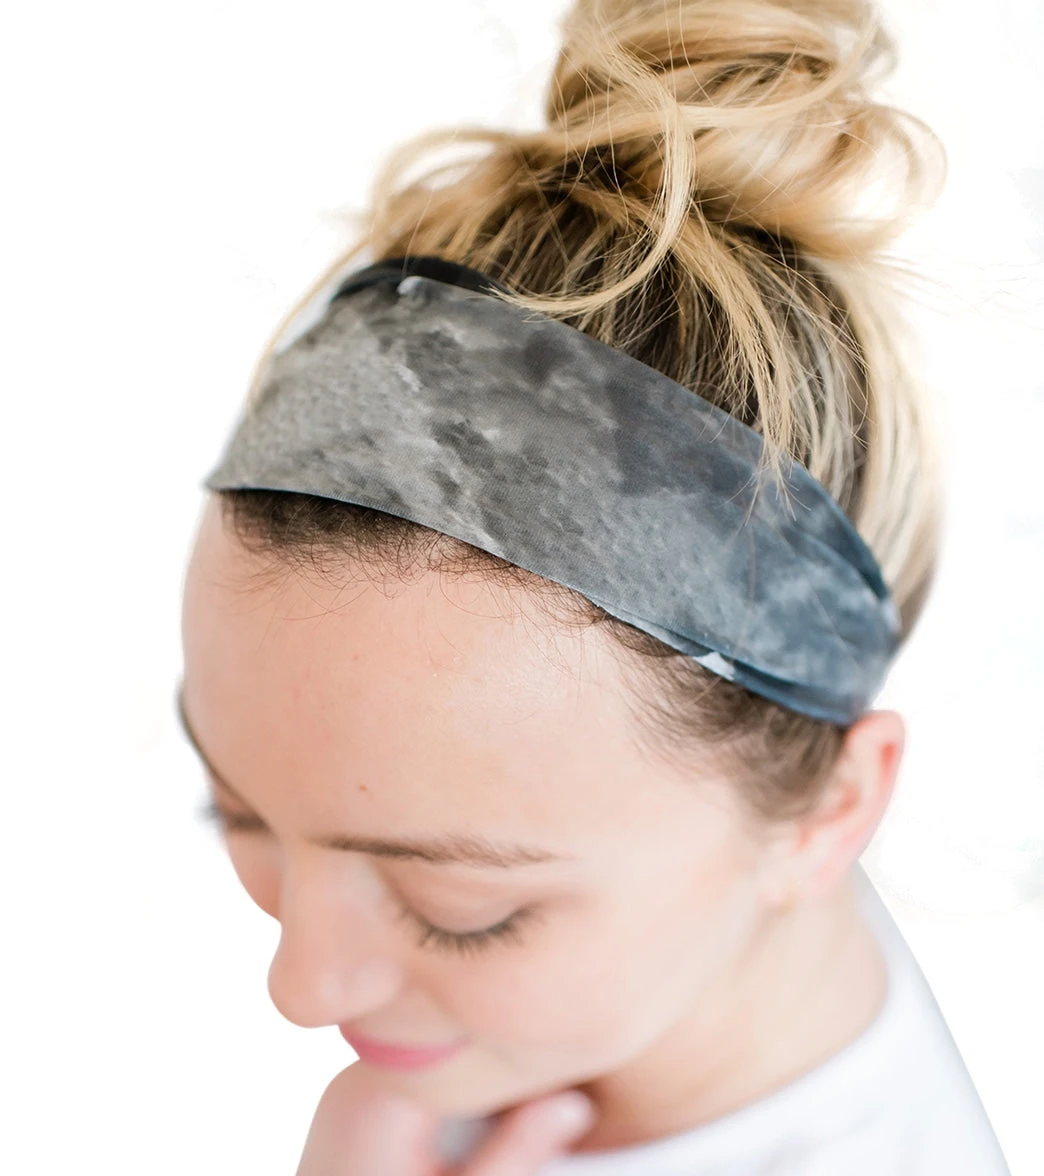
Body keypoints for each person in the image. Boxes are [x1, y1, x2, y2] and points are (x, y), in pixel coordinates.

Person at [177, 0, 1012, 1172]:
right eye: (238, 813)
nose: (300, 988)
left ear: (830, 809)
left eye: (467, 913)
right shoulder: (683, 933)